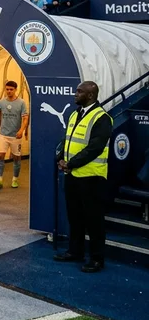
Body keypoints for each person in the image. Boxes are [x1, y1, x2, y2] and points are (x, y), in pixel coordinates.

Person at [55, 81, 112, 273]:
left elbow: (95, 148)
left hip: (92, 178)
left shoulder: (102, 118)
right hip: (72, 176)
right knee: (75, 217)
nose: (75, 94)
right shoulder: (74, 114)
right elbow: (67, 139)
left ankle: (96, 259)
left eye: (79, 91)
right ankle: (75, 251)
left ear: (90, 95)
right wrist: (61, 158)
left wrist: (70, 163)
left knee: (94, 220)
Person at [0, 81, 29, 188]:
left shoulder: (21, 103)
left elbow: (25, 118)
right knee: (0, 156)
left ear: (15, 90)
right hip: (3, 134)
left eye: (11, 89)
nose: (9, 91)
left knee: (16, 158)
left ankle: (15, 179)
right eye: (7, 89)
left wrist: (21, 131)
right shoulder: (1, 102)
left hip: (15, 136)